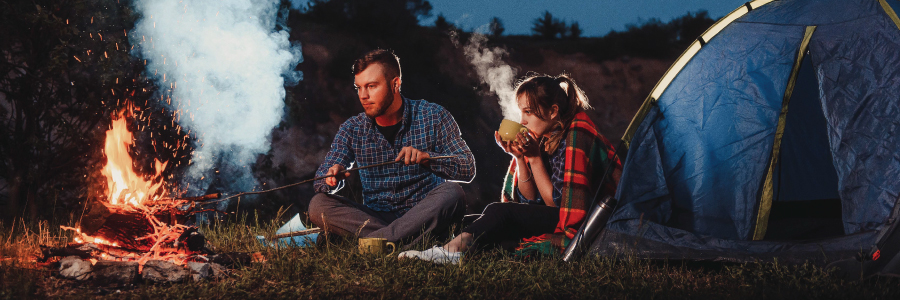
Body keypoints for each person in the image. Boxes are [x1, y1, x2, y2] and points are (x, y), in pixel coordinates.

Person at [399, 74, 622, 264]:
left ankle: (450, 253)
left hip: (586, 221)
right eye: (521, 112)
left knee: (500, 213)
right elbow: (529, 200)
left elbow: (558, 205)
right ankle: (447, 249)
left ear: (553, 111)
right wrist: (520, 158)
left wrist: (533, 159)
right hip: (556, 215)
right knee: (478, 219)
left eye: (529, 112)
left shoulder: (577, 134)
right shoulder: (544, 139)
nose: (522, 120)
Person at [308, 49, 476, 245]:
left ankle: (376, 242)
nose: (363, 95)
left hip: (423, 214)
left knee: (452, 193)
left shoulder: (433, 115)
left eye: (371, 86)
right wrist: (331, 177)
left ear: (395, 84)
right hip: (374, 217)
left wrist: (426, 158)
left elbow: (467, 167)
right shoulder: (352, 128)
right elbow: (320, 181)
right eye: (359, 87)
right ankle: (398, 241)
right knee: (318, 204)